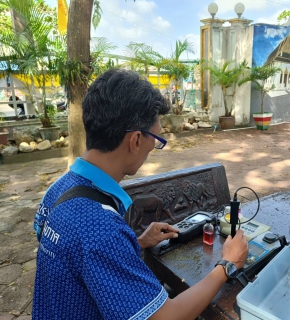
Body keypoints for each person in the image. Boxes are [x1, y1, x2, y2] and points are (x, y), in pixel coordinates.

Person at [33, 68, 248, 320]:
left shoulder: (58, 188)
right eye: (156, 138)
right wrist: (227, 264)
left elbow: (76, 259)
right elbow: (165, 317)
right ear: (135, 140)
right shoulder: (102, 228)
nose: (153, 147)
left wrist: (135, 243)